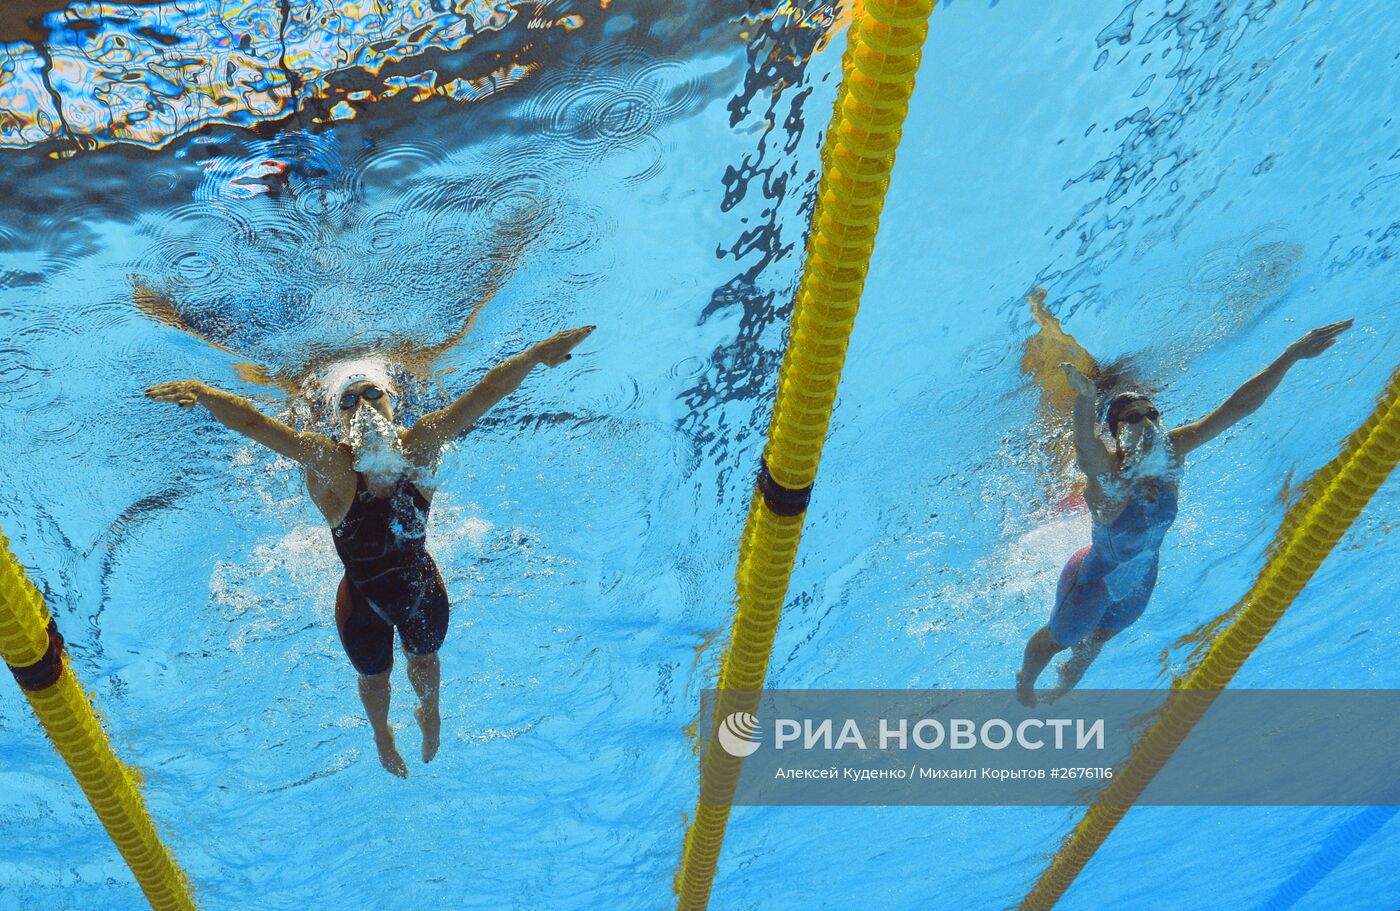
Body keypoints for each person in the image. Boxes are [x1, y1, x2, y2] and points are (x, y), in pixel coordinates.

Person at [146, 324, 595, 775]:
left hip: (421, 591)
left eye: (371, 393)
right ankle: (382, 732)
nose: (361, 404)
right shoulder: (331, 464)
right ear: (339, 417)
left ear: (390, 400)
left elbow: (486, 393)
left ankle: (430, 713)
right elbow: (255, 425)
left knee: (426, 660)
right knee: (375, 678)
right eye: (348, 399)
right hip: (361, 604)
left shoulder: (422, 442)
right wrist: (203, 393)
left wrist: (537, 353)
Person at [1015, 309, 1351, 707]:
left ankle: (1067, 680)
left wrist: (1291, 354)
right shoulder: (1110, 476)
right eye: (1135, 416)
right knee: (1061, 638)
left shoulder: (1173, 452)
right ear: (1118, 432)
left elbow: (1235, 409)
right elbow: (1085, 447)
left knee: (1099, 640)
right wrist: (1085, 403)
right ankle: (1025, 681)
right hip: (1093, 579)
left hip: (1140, 580)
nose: (1149, 421)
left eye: (1153, 412)